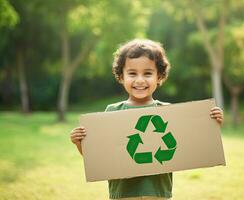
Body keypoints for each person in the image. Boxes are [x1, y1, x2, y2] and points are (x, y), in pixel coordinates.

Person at [70, 39, 224, 200]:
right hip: (123, 195)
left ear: (159, 76)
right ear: (121, 76)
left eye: (148, 73)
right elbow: (100, 157)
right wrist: (80, 143)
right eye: (132, 73)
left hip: (157, 194)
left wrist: (211, 123)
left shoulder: (169, 112)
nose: (140, 80)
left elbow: (192, 145)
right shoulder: (112, 112)